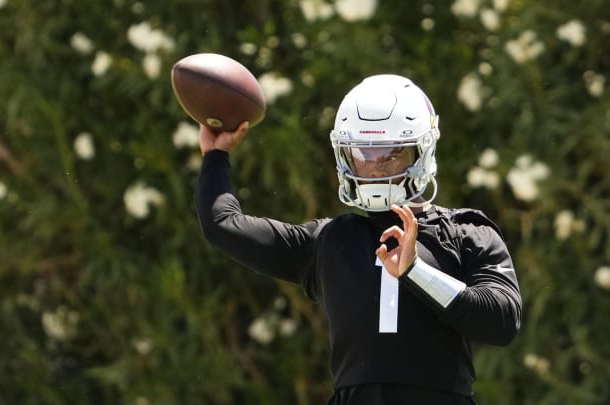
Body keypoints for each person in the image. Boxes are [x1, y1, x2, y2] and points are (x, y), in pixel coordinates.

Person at [195, 74, 522, 405]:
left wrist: (415, 272)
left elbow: (503, 321)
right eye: (362, 154)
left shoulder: (466, 231)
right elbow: (224, 226)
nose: (375, 168)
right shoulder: (328, 240)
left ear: (422, 150)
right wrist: (215, 157)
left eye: (390, 154)